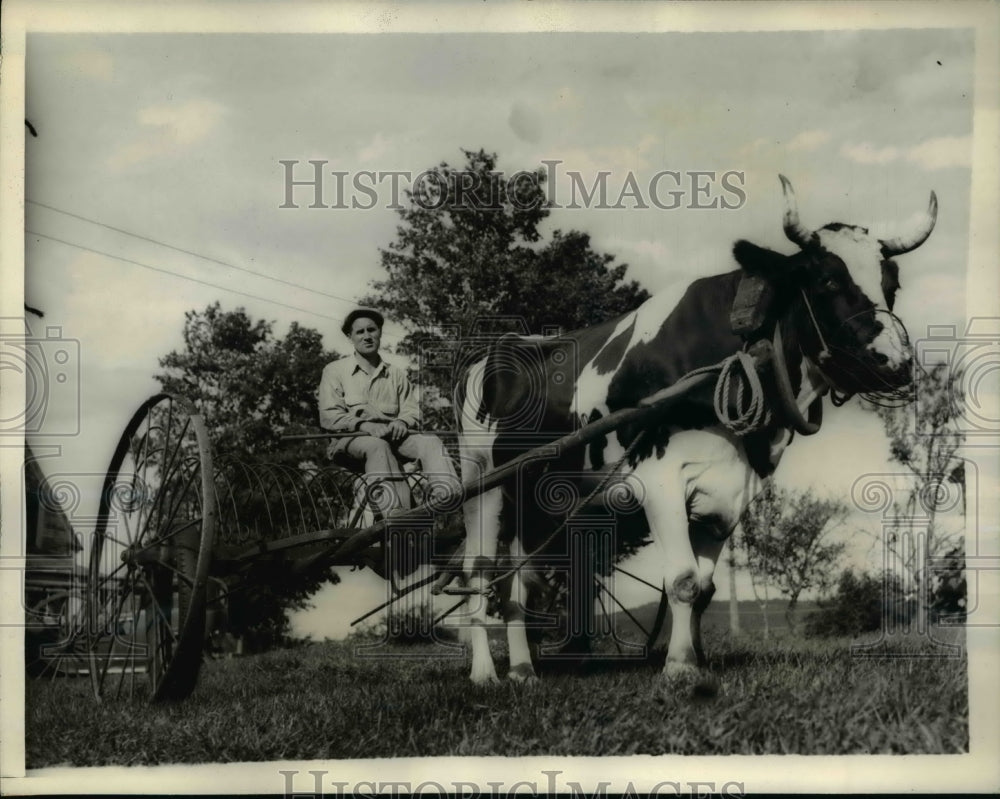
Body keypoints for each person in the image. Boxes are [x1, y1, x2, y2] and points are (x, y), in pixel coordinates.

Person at [318, 308, 459, 516]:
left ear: (380, 333)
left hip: (393, 438)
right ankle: (395, 513)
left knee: (430, 441)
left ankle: (448, 495)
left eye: (371, 330)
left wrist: (402, 423)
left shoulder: (395, 374)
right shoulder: (334, 371)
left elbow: (411, 411)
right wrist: (365, 425)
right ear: (350, 337)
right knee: (377, 445)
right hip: (349, 439)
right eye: (360, 332)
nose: (367, 336)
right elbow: (329, 415)